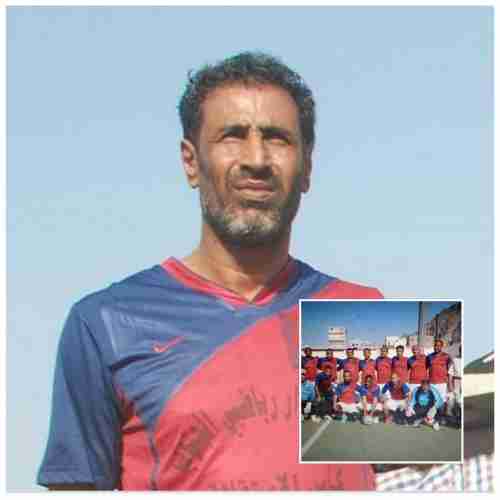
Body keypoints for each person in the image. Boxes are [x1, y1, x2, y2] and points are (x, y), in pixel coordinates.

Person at [36, 52, 383, 491]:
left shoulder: (366, 312)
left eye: (277, 138)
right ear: (190, 161)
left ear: (308, 167)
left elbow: (428, 482)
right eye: (232, 136)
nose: (256, 159)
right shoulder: (103, 323)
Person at [426, 339, 452, 422]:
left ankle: (441, 418)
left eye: (438, 346)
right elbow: (427, 369)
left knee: (442, 401)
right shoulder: (429, 356)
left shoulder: (447, 356)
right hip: (432, 382)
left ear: (442, 346)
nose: (436, 347)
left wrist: (449, 383)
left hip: (442, 383)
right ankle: (432, 417)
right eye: (435, 345)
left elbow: (450, 370)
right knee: (432, 400)